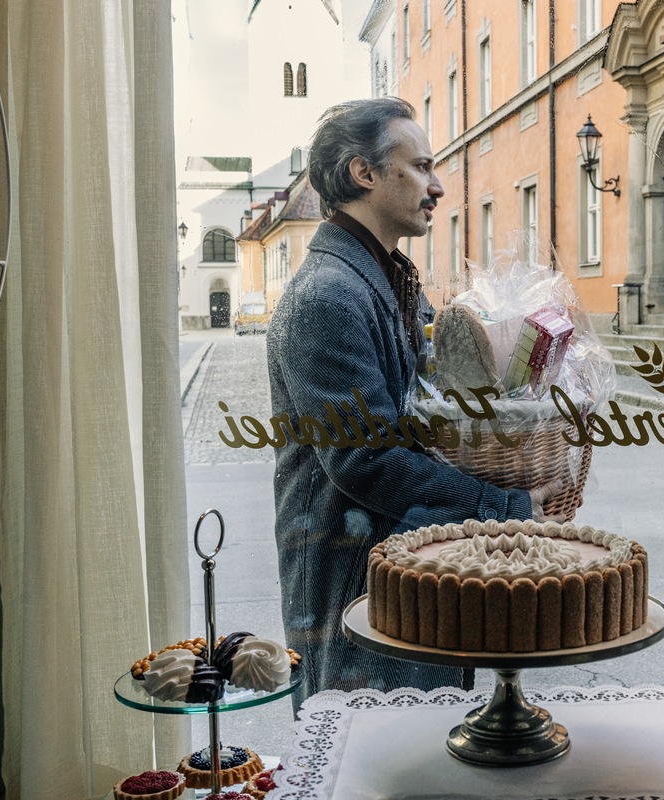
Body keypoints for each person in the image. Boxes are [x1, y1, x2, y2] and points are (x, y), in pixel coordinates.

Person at [267, 98, 561, 706]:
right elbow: (363, 460)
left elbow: (438, 407)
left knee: (428, 739)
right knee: (379, 758)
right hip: (355, 575)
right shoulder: (327, 295)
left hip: (404, 565)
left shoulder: (389, 277)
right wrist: (506, 504)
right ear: (364, 173)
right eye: (422, 166)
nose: (438, 186)